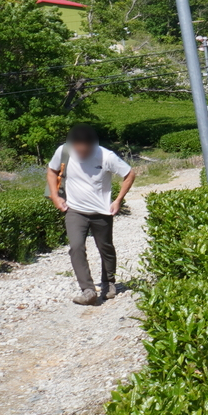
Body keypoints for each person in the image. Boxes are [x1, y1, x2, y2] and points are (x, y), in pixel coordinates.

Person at [47, 124, 135, 306]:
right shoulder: (64, 151)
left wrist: (118, 200)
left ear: (92, 146)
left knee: (105, 248)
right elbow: (52, 170)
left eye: (84, 150)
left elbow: (129, 174)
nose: (81, 153)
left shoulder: (106, 156)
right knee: (76, 246)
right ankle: (87, 290)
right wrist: (55, 196)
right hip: (75, 210)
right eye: (77, 149)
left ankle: (109, 282)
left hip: (102, 211)